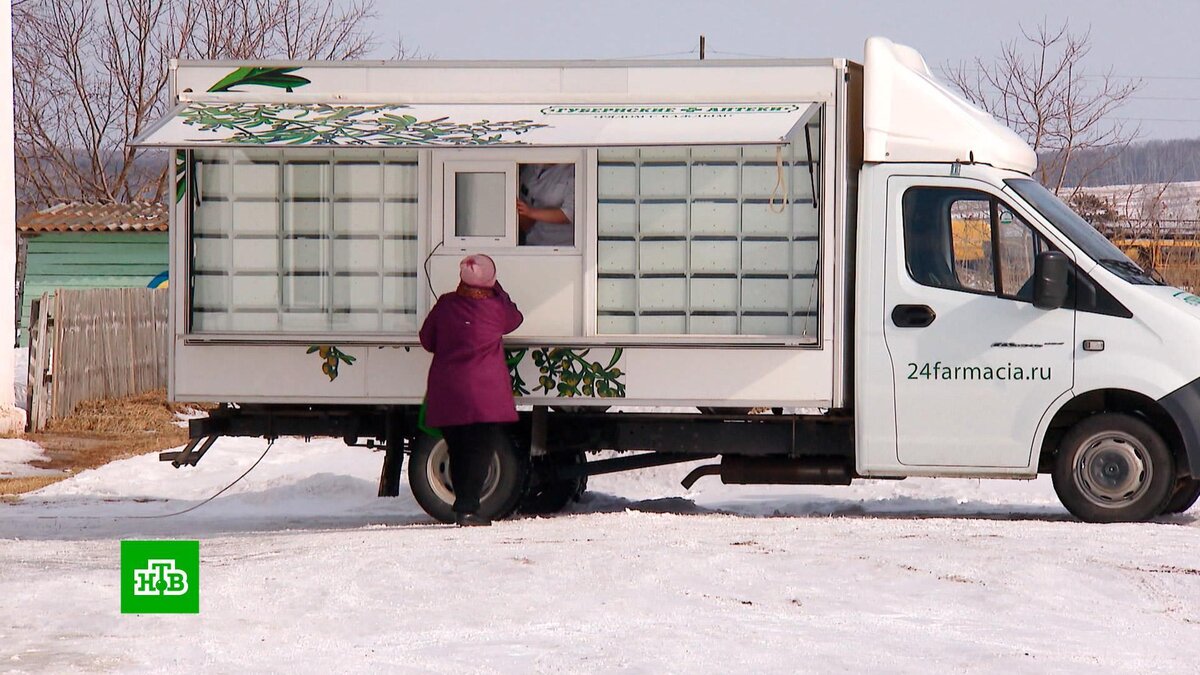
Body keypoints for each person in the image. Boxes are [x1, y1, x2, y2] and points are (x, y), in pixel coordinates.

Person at [419, 254, 524, 526]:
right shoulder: (496, 309)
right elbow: (516, 318)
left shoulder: (445, 305)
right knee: (479, 452)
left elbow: (427, 340)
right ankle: (468, 509)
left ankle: (463, 508)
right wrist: (498, 290)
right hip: (483, 395)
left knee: (458, 450)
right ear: (491, 281)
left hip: (449, 391)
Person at [517, 163, 575, 246]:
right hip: (533, 241)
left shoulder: (573, 170)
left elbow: (568, 215)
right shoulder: (532, 165)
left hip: (560, 246)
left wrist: (531, 212)